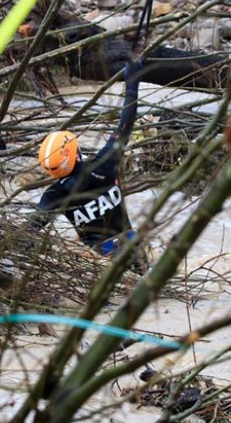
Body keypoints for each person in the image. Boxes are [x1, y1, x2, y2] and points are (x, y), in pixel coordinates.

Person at [29, 57, 146, 270]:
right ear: (76, 154)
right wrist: (132, 83)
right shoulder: (104, 164)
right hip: (131, 245)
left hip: (98, 260)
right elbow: (126, 124)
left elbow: (28, 230)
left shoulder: (54, 195)